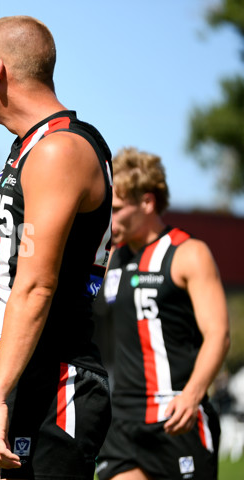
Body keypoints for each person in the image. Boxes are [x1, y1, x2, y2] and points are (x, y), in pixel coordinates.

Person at [0, 15, 114, 480]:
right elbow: (10, 273)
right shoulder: (28, 146)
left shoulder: (60, 149)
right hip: (10, 374)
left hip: (54, 383)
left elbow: (37, 284)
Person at [95, 147, 230, 480]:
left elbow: (218, 334)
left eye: (116, 210)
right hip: (124, 420)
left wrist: (193, 394)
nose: (109, 222)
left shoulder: (189, 254)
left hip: (176, 415)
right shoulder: (112, 257)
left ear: (147, 202)